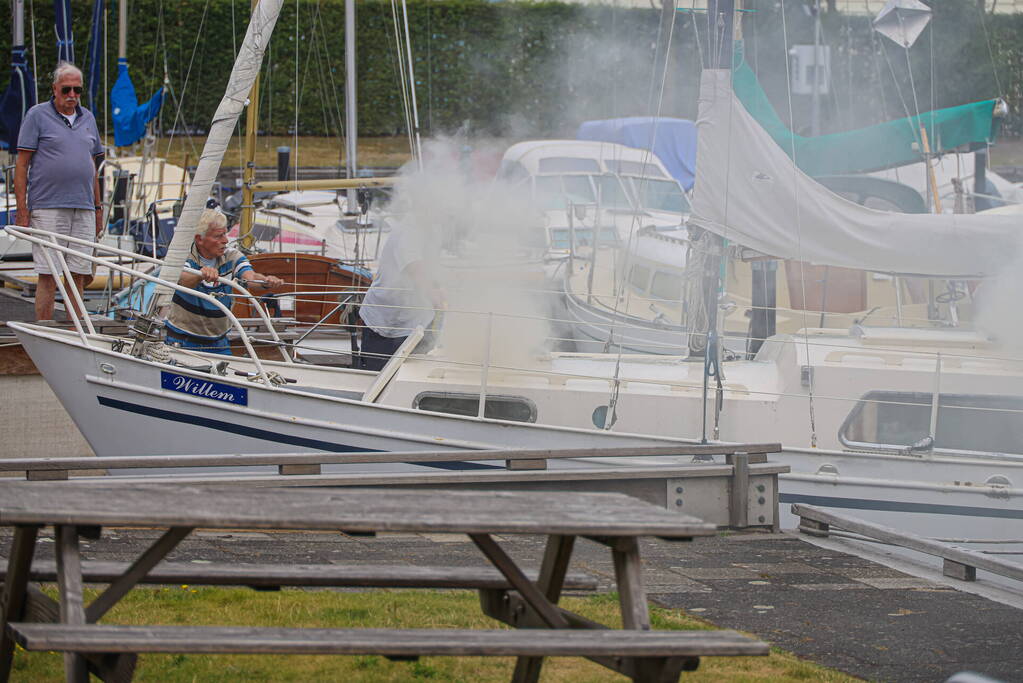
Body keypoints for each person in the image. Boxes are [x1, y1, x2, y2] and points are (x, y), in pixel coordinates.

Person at [14, 62, 104, 321]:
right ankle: (45, 328)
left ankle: (78, 331)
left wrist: (98, 208)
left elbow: (92, 166)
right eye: (66, 90)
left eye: (77, 90)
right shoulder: (37, 115)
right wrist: (22, 209)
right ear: (54, 89)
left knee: (78, 274)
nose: (72, 95)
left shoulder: (88, 117)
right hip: (47, 205)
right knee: (48, 272)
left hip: (84, 206)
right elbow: (22, 164)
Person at [165, 208, 284, 355]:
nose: (225, 240)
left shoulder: (231, 256)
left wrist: (266, 281)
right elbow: (183, 281)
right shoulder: (185, 256)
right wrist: (200, 275)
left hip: (219, 341)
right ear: (199, 239)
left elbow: (250, 278)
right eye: (218, 236)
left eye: (225, 234)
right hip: (182, 340)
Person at [358, 221, 443, 371]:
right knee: (377, 377)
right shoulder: (408, 230)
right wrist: (436, 295)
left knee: (413, 374)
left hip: (416, 322)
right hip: (384, 323)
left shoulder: (433, 230)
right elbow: (414, 267)